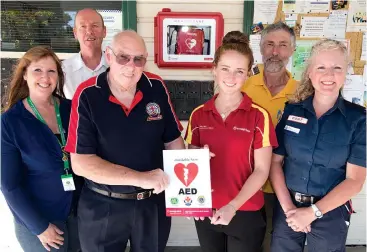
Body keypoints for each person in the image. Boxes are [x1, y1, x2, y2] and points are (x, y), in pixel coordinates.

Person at [65, 30, 185, 252]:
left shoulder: (156, 87)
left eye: (138, 59)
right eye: (123, 57)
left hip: (151, 204)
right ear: (109, 56)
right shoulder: (87, 94)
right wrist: (141, 178)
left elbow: (173, 142)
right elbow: (81, 163)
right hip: (103, 204)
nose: (131, 66)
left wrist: (189, 166)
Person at [185, 31, 278, 252]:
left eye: (239, 71)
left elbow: (262, 170)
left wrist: (232, 206)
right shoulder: (198, 115)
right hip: (206, 210)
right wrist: (190, 201)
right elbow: (188, 165)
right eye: (225, 69)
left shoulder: (259, 116)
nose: (231, 77)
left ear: (247, 75)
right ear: (214, 69)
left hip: (245, 210)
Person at [270, 39, 366, 252]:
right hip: (288, 208)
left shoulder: (358, 119)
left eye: (337, 68)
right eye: (321, 67)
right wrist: (289, 210)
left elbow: (355, 181)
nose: (329, 75)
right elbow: (275, 162)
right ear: (310, 73)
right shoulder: (292, 112)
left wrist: (312, 212)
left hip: (331, 212)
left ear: (345, 73)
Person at [1, 46, 80, 252]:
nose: (45, 77)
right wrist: (39, 226)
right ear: (25, 74)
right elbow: (9, 185)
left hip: (79, 214)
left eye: (51, 71)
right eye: (37, 70)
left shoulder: (72, 110)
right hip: (43, 221)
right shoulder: (10, 122)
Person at [241, 21, 297, 252]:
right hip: (245, 183)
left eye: (283, 45)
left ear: (292, 50)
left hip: (284, 187)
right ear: (261, 48)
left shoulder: (303, 92)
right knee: (247, 245)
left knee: (278, 246)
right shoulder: (242, 85)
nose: (275, 52)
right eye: (270, 44)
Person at [62, 8, 108, 99]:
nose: (89, 31)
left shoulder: (119, 68)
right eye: (83, 26)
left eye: (95, 25)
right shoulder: (63, 70)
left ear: (104, 31)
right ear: (75, 33)